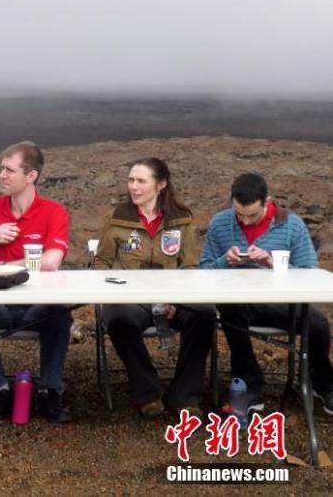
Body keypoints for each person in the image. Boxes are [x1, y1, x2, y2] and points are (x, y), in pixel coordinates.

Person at [200, 173, 333, 415]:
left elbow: (309, 273)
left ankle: (322, 383)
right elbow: (204, 271)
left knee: (318, 324)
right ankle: (250, 385)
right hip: (238, 303)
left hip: (281, 302)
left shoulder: (292, 225)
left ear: (267, 201)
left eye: (252, 215)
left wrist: (272, 262)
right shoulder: (220, 223)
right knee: (230, 307)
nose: (246, 221)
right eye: (239, 214)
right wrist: (225, 261)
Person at [93, 157, 215, 417]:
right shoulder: (117, 218)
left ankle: (185, 395)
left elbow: (189, 266)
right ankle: (147, 392)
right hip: (132, 300)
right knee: (118, 318)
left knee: (203, 314)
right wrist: (115, 287)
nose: (133, 186)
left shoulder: (181, 219)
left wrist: (175, 298)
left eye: (141, 181)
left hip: (173, 299)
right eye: (131, 180)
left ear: (160, 185)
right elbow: (102, 262)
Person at [0, 141, 74, 423]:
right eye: (2, 168)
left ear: (31, 176)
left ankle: (50, 391)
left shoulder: (54, 212)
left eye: (10, 170)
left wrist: (5, 267)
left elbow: (51, 262)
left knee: (59, 313)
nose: (2, 175)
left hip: (37, 305)